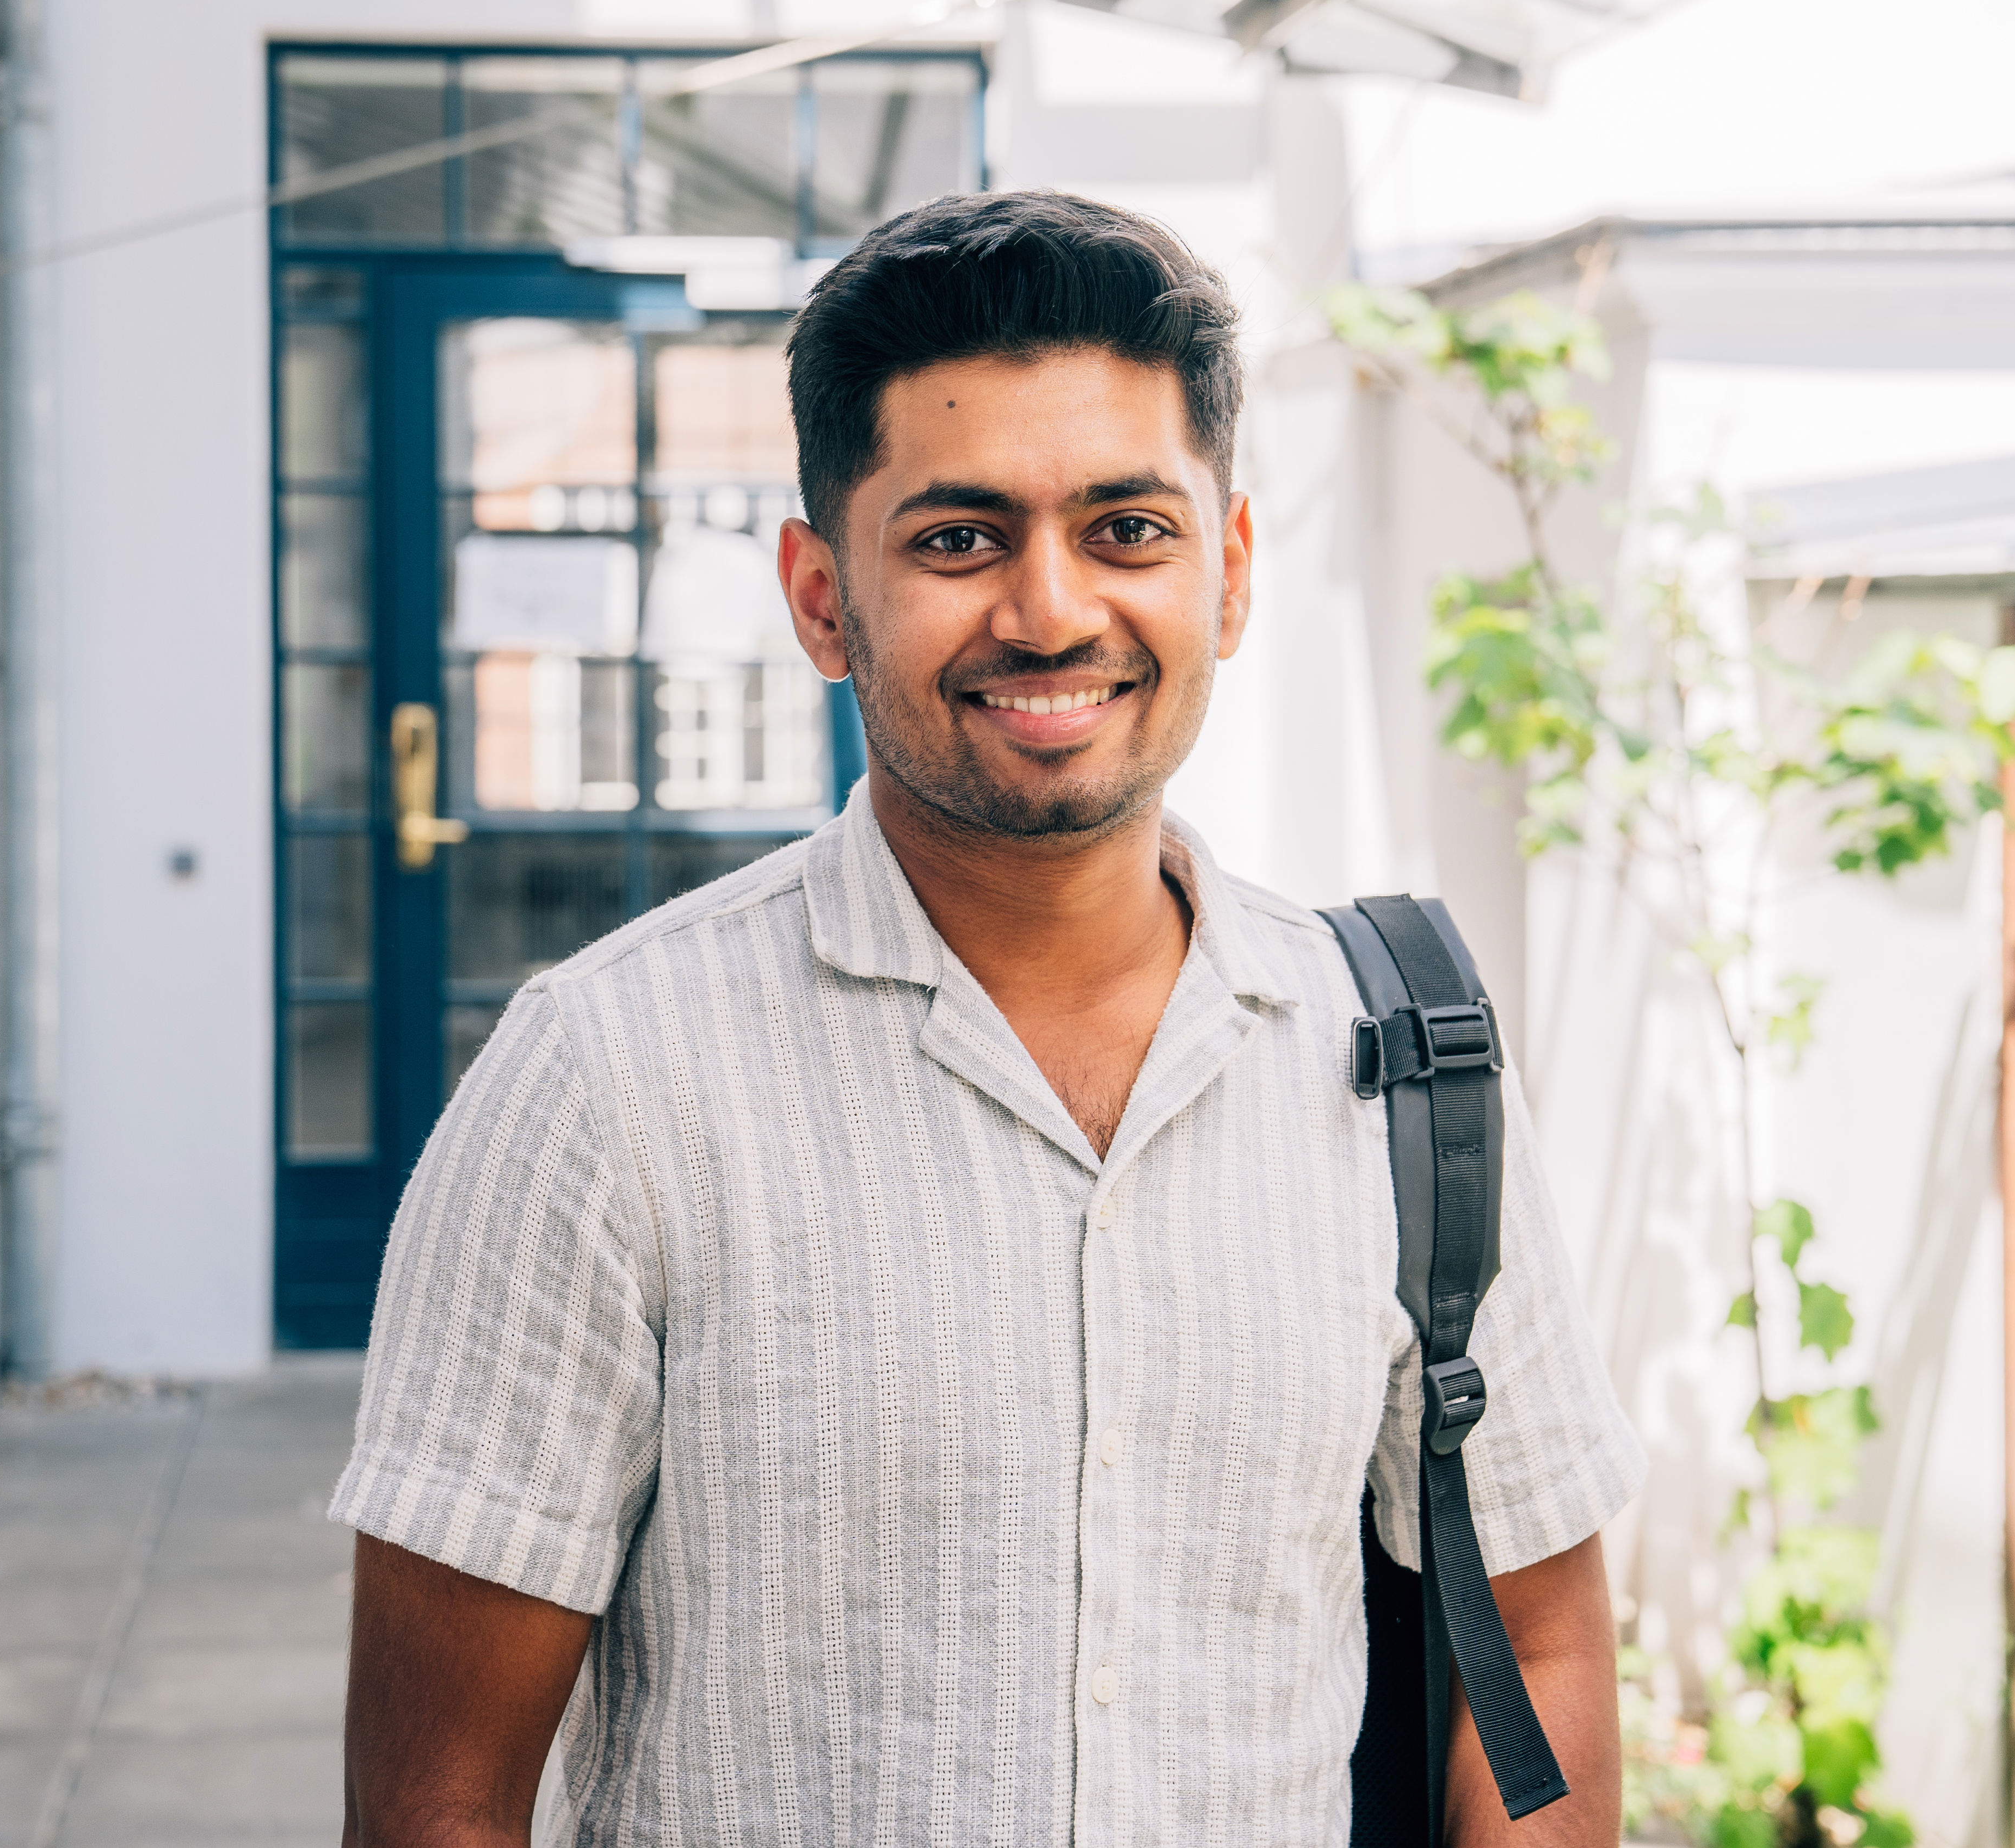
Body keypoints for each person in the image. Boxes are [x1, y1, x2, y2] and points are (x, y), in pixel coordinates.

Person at [332, 190, 1644, 1847]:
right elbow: (440, 1802)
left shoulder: (1398, 1068)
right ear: (822, 597)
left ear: (1229, 573)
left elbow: (1535, 1648)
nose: (1049, 612)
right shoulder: (608, 1083)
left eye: (1127, 529)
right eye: (958, 539)